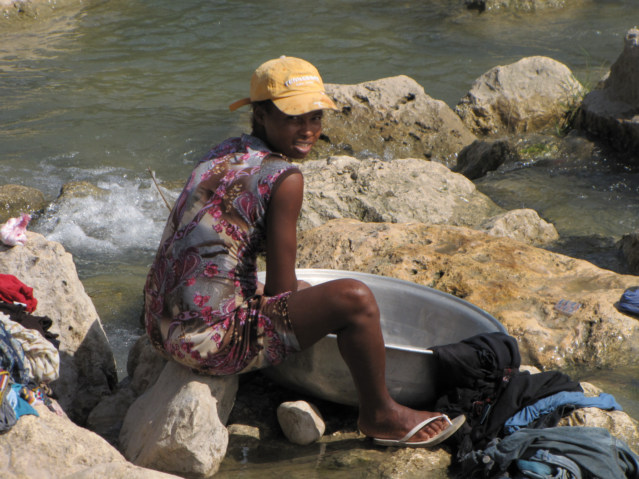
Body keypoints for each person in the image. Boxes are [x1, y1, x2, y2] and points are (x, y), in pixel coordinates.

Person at [144, 55, 465, 447]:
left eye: (315, 117)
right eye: (294, 118)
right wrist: (323, 314)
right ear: (261, 115)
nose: (308, 129)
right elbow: (281, 290)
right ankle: (381, 414)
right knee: (355, 300)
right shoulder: (285, 177)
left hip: (158, 326)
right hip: (205, 345)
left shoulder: (224, 152)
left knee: (310, 294)